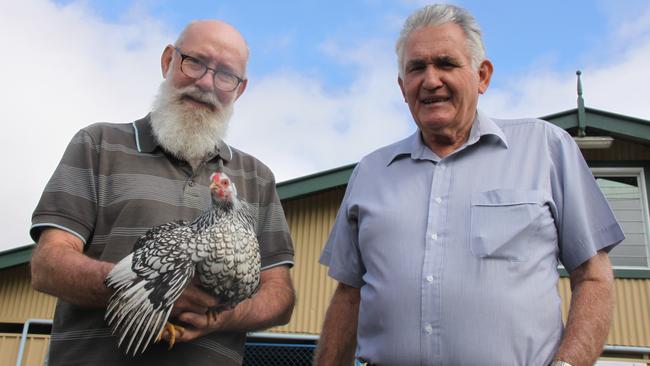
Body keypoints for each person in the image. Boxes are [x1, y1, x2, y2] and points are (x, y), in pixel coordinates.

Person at [315, 4, 624, 366]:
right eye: (416, 68)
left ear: (482, 76)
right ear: (402, 87)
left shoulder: (546, 150)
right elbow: (349, 295)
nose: (430, 80)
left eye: (446, 63)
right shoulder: (370, 173)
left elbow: (593, 277)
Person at [30, 20, 295, 366]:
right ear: (168, 59)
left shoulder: (257, 178)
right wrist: (149, 285)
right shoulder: (99, 145)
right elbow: (47, 265)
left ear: (239, 89)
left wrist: (220, 316)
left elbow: (279, 295)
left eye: (226, 74)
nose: (206, 83)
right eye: (195, 62)